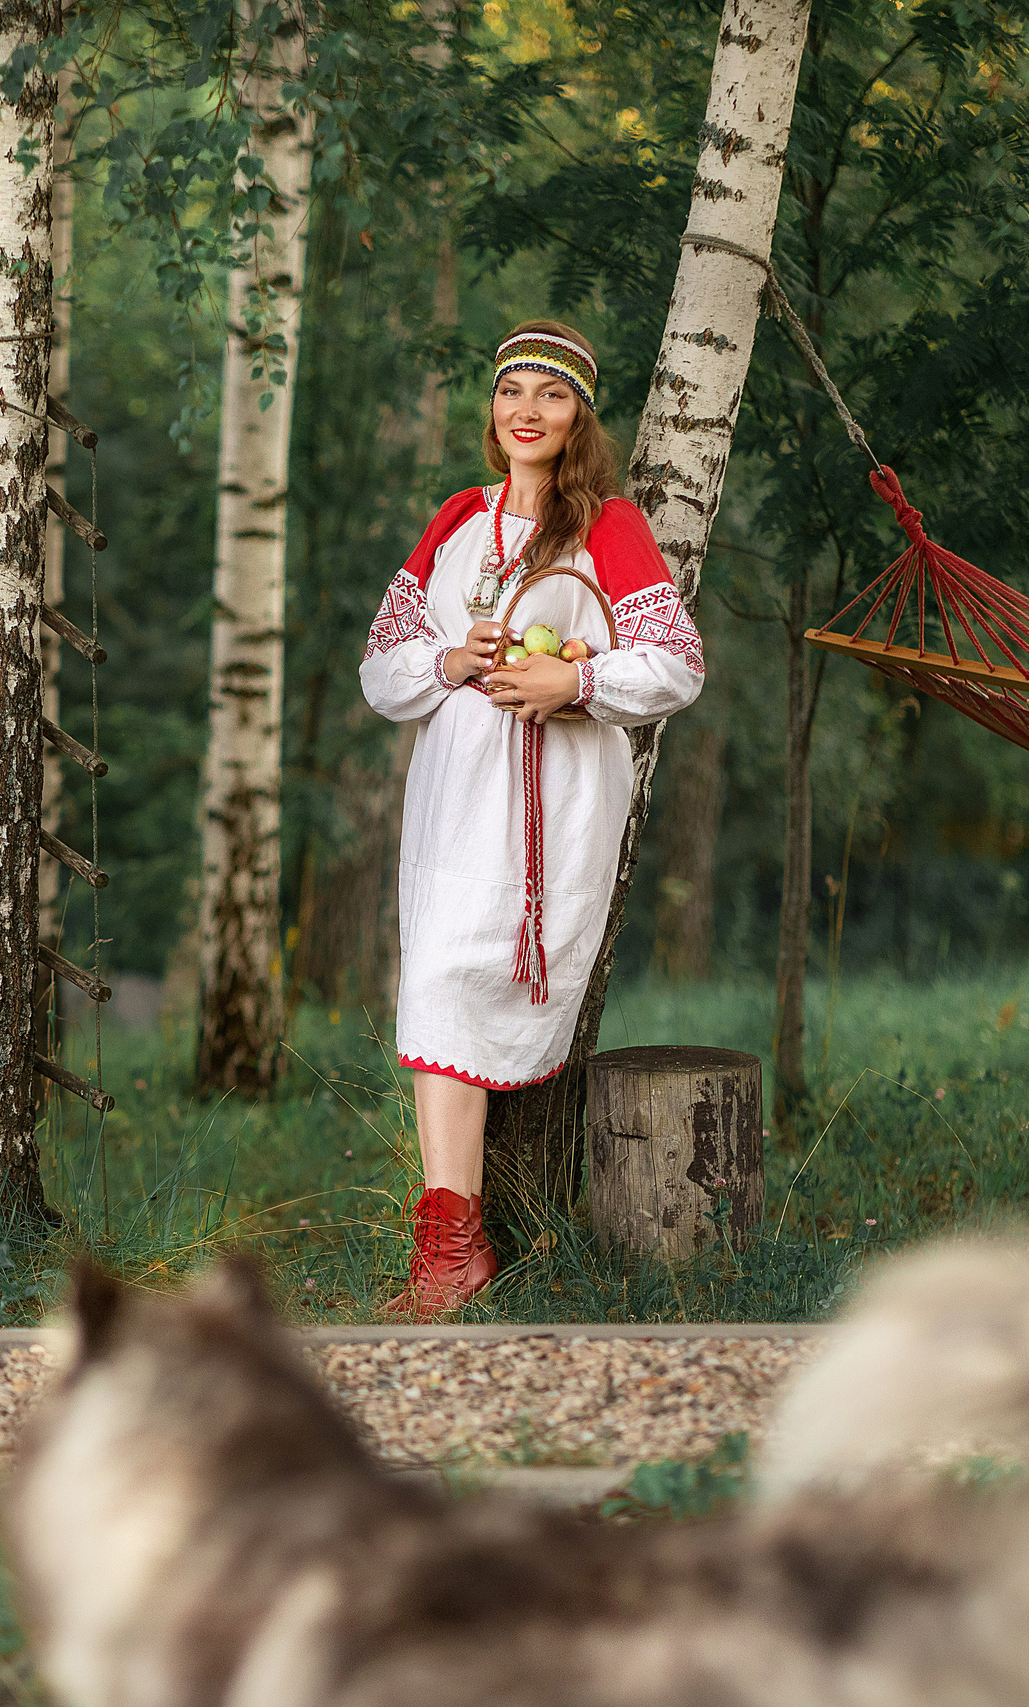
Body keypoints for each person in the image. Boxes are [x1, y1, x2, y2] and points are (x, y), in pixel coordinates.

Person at [358, 320, 706, 1316]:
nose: (526, 411)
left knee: (475, 984)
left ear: (577, 416)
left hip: (553, 799)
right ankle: (450, 1248)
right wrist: (447, 663)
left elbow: (676, 661)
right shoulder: (457, 518)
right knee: (430, 986)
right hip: (452, 802)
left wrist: (576, 677)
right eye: (512, 391)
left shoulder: (609, 528)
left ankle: (458, 1246)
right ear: (491, 409)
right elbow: (384, 664)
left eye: (549, 397)